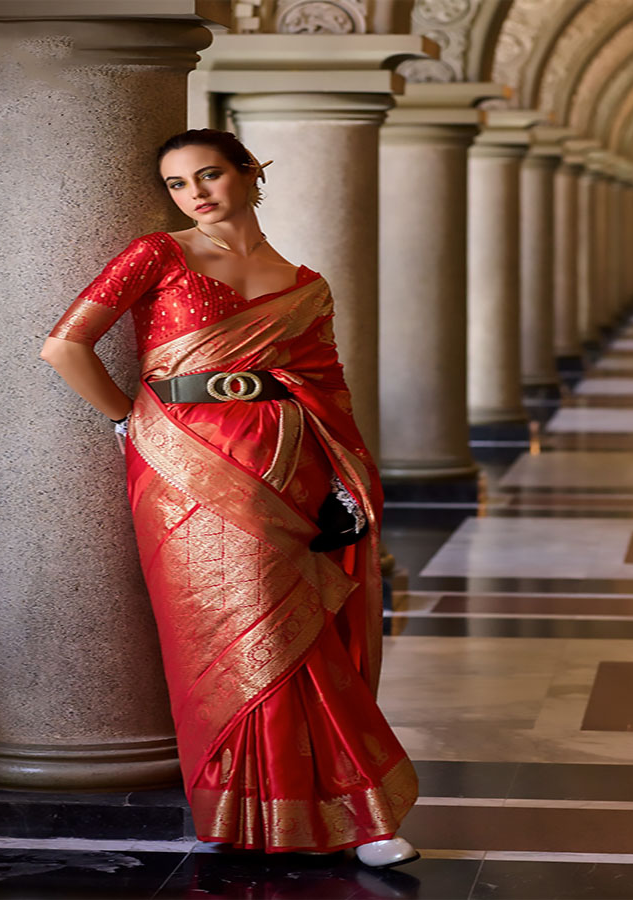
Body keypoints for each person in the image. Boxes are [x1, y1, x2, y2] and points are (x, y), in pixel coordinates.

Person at [39, 128, 420, 867]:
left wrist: (346, 482)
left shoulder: (305, 282)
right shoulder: (159, 253)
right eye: (179, 184)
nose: (195, 194)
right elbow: (64, 346)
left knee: (302, 631)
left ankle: (359, 817)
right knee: (222, 641)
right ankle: (242, 810)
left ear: (250, 172)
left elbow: (329, 390)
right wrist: (127, 418)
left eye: (209, 175)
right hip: (183, 465)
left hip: (288, 465)